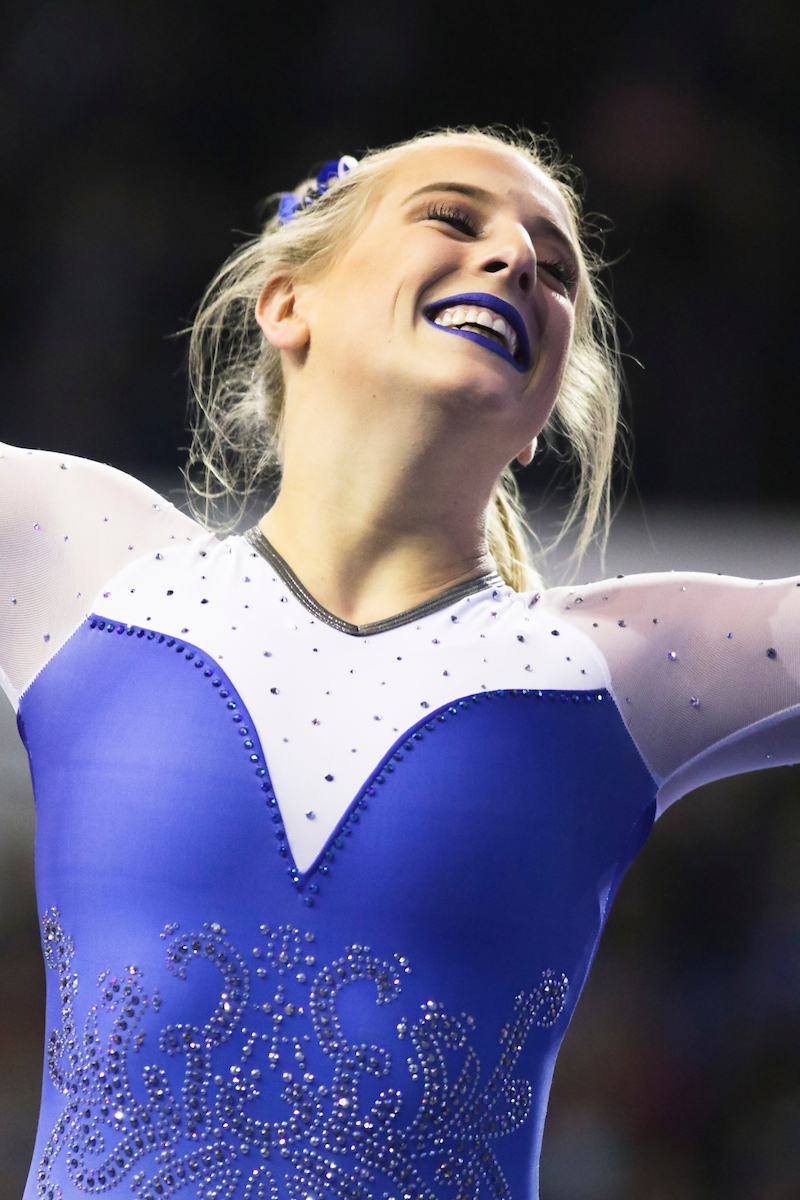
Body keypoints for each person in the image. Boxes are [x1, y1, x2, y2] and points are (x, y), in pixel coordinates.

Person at [1, 126, 798, 1200]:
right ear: (288, 304)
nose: (515, 259)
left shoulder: (618, 667)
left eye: (556, 270)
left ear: (539, 419)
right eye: (452, 218)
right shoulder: (80, 563)